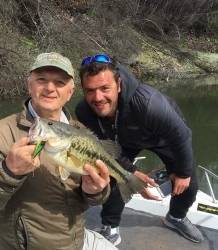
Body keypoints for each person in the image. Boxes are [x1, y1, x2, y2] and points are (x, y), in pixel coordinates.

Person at [0, 52, 118, 250]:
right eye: (41, 80)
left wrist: (95, 192)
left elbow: (92, 199)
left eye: (59, 82)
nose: (49, 88)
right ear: (29, 85)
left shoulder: (82, 133)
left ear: (70, 91)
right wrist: (7, 172)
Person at [75, 54, 204, 246]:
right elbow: (106, 149)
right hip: (122, 140)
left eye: (105, 88)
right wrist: (132, 172)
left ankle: (176, 217)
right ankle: (110, 226)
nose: (98, 97)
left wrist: (183, 173)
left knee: (189, 182)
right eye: (90, 91)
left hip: (159, 137)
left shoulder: (149, 104)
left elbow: (182, 135)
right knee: (109, 173)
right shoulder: (83, 112)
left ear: (118, 85)